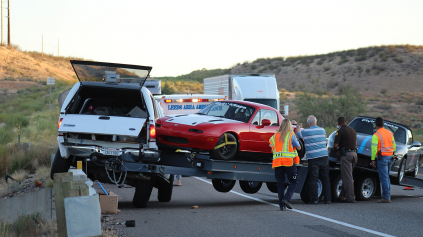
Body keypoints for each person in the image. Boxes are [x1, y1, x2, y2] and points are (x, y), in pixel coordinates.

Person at [295, 115, 331, 204]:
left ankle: (315, 199)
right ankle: (328, 199)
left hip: (313, 158)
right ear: (316, 122)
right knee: (325, 178)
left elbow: (297, 133)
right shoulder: (322, 130)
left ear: (308, 123)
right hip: (324, 156)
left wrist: (298, 126)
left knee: (313, 179)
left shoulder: (305, 132)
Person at [269, 118, 302, 211]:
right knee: (294, 181)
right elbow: (299, 147)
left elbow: (272, 150)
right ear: (289, 126)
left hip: (278, 162)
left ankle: (281, 205)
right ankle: (286, 199)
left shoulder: (274, 136)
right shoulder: (291, 135)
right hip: (288, 162)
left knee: (280, 184)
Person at [371, 117, 396, 203]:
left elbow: (374, 149)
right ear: (383, 124)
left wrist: (373, 159)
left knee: (384, 178)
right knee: (387, 178)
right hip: (390, 157)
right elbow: (394, 145)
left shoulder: (376, 135)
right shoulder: (390, 133)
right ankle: (387, 195)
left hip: (382, 159)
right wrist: (393, 154)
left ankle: (386, 197)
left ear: (376, 125)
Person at [333, 117, 357, 203]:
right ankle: (342, 196)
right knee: (347, 176)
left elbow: (335, 145)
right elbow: (356, 143)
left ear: (338, 123)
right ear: (346, 122)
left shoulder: (340, 131)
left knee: (347, 177)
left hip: (346, 156)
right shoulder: (353, 130)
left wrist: (335, 152)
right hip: (354, 155)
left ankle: (351, 197)